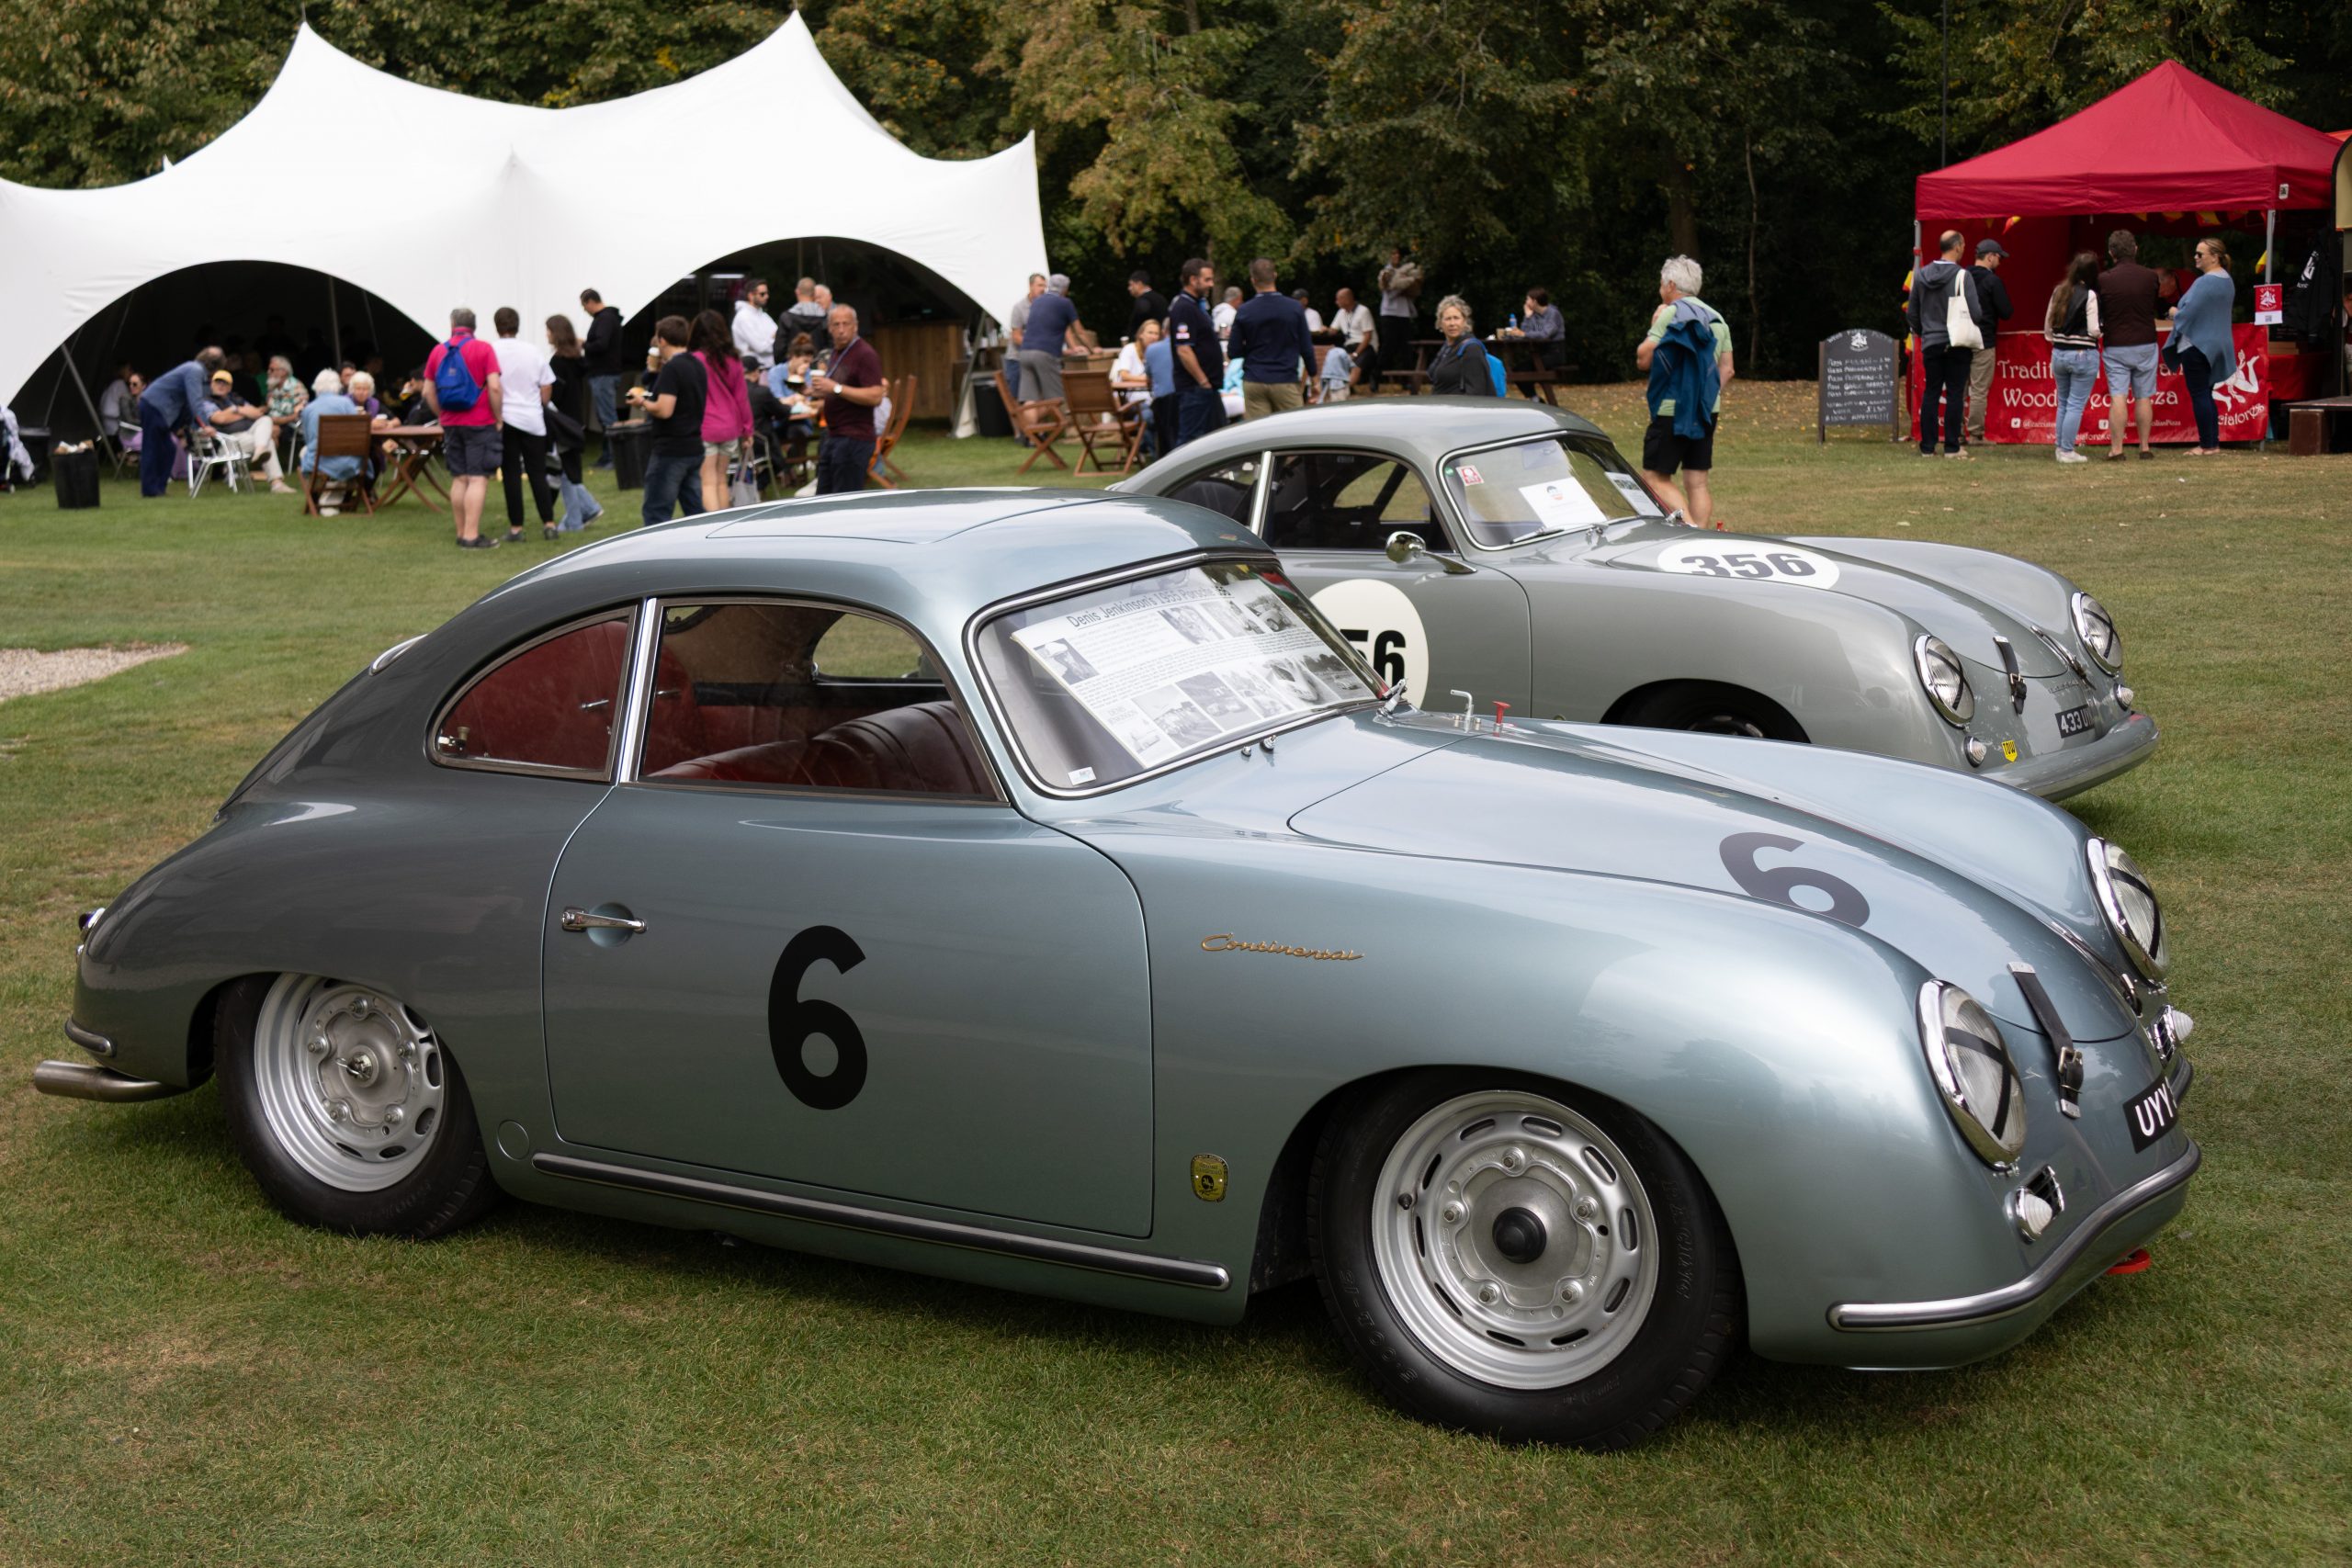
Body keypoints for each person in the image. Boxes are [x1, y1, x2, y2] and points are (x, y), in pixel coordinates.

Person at [1636, 255, 1736, 525]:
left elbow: (1644, 358)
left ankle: (1692, 531)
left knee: (1655, 478)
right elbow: (1727, 369)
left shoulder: (1670, 312)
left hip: (1673, 409)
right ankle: (1701, 533)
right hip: (1707, 409)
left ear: (1670, 285)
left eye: (1661, 284)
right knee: (1698, 482)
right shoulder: (1718, 318)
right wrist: (1707, 394)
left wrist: (1653, 323)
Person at [423, 306, 505, 548]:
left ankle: (461, 532)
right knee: (478, 479)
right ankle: (471, 535)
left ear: (452, 325)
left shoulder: (438, 351)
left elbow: (428, 391)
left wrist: (443, 415)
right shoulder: (483, 349)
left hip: (451, 423)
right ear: (474, 326)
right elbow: (495, 386)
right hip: (480, 422)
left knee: (459, 479)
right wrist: (498, 416)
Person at [1905, 231, 1980, 457]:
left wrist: (1924, 332)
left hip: (1931, 342)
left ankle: (1927, 447)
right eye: (1964, 245)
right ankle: (1951, 446)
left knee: (1931, 392)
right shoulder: (1962, 276)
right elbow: (1976, 312)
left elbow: (1912, 313)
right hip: (1957, 342)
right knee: (1956, 394)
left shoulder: (1920, 275)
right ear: (1956, 247)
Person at [628, 315, 707, 525]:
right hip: (694, 445)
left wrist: (641, 403)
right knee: (695, 512)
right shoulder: (697, 364)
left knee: (657, 513)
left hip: (672, 450)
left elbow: (664, 410)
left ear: (662, 340)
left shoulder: (673, 368)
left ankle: (656, 554)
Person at [491, 306, 558, 542]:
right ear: (517, 325)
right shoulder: (532, 351)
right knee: (538, 472)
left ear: (496, 326)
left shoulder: (492, 350)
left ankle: (516, 528)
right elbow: (547, 384)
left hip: (505, 418)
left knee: (511, 474)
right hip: (532, 418)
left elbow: (490, 385)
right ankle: (549, 523)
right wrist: (540, 403)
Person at [2096, 231, 2163, 462]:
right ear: (2135, 249)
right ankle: (2144, 447)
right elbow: (2155, 304)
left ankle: (2117, 449)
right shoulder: (2151, 277)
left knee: (2118, 396)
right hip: (2145, 341)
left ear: (2111, 253)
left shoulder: (2103, 279)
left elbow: (2100, 312)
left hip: (2116, 344)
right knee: (2144, 396)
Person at [2168, 238, 2236, 457]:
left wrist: (2172, 313)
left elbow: (2187, 314)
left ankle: (2207, 444)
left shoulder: (2205, 282)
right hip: (2215, 345)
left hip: (2197, 345)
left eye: (2200, 254)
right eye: (2196, 253)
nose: (2196, 257)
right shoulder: (2227, 280)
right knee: (2207, 394)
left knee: (2200, 394)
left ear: (2215, 257)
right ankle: (2212, 443)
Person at [810, 304, 884, 494]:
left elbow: (875, 395)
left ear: (855, 326)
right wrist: (815, 390)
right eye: (836, 324)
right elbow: (838, 390)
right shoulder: (838, 352)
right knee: (823, 500)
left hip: (854, 438)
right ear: (829, 328)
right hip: (834, 436)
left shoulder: (864, 354)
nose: (841, 330)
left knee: (844, 503)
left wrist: (835, 388)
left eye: (846, 324)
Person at [1230, 258, 1314, 419]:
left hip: (1254, 379)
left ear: (1253, 280)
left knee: (1259, 435)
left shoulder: (1244, 311)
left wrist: (1251, 351)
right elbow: (1306, 348)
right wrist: (1314, 378)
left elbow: (1233, 351)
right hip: (1285, 379)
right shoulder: (1294, 308)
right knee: (1292, 432)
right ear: (1275, 276)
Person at [543, 314, 604, 531]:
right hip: (575, 420)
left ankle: (577, 519)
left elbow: (555, 395)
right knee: (568, 470)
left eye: (549, 331)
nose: (547, 335)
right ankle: (584, 511)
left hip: (561, 422)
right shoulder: (578, 360)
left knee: (565, 472)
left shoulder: (557, 362)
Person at [690, 309, 754, 511]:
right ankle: (723, 520)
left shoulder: (694, 360)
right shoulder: (734, 360)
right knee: (721, 479)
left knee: (707, 481)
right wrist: (748, 430)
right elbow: (742, 398)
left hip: (706, 426)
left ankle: (712, 526)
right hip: (730, 427)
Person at [2044, 251, 2104, 465]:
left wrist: (2057, 340)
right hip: (2082, 354)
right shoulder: (2090, 295)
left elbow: (2048, 328)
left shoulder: (2058, 291)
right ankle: (2067, 450)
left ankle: (2061, 447)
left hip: (2059, 353)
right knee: (2076, 404)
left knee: (2063, 402)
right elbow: (2094, 329)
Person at [197, 367, 294, 493]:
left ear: (230, 387)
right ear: (212, 384)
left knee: (266, 420)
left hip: (247, 437)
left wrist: (235, 410)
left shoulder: (236, 399)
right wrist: (238, 410)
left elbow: (257, 413)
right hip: (227, 443)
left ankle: (260, 450)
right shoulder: (207, 402)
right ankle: (276, 483)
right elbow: (219, 419)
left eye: (224, 383)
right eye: (217, 382)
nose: (220, 386)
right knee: (268, 442)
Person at [1167, 257, 1227, 450]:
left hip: (1206, 387)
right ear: (1193, 280)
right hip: (1195, 388)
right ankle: (1176, 479)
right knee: (1190, 442)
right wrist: (1203, 381)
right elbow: (1184, 349)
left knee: (1218, 437)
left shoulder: (1195, 306)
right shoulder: (1184, 308)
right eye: (1207, 280)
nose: (1211, 284)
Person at [1963, 239, 2013, 445]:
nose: (2000, 262)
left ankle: (1956, 433)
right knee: (1979, 390)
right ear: (1990, 256)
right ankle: (1975, 434)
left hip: (1959, 338)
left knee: (1959, 388)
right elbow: (2006, 312)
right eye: (1998, 257)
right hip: (1983, 340)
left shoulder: (1960, 276)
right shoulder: (1992, 281)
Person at [298, 367, 360, 512]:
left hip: (319, 459)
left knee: (304, 452)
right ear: (337, 385)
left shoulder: (309, 409)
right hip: (348, 459)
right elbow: (356, 434)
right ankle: (331, 496)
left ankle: (316, 496)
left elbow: (308, 439)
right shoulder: (346, 404)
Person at [1015, 278, 1083, 408]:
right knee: (1057, 398)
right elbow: (1079, 331)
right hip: (1045, 354)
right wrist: (1091, 349)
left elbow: (1055, 330)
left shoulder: (1037, 302)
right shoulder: (1065, 303)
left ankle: (1031, 427)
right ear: (1065, 289)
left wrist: (1072, 348)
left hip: (1024, 352)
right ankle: (1060, 426)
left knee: (1030, 400)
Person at [581, 288, 624, 468]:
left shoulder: (605, 319)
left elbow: (601, 344)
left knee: (608, 418)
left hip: (604, 374)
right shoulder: (607, 318)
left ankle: (614, 458)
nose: (584, 310)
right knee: (604, 416)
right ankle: (607, 457)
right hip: (604, 373)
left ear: (591, 301)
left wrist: (583, 344)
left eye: (584, 306)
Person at [1425, 295, 1495, 397]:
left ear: (1464, 321)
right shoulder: (1447, 348)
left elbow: (1477, 392)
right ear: (1440, 323)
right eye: (1448, 319)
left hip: (1458, 410)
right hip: (1442, 407)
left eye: (1456, 318)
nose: (1452, 323)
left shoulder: (1471, 349)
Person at [1377, 247, 1423, 379]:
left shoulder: (1407, 271)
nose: (1396, 256)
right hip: (1388, 314)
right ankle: (1377, 376)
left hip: (1404, 313)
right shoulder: (1384, 272)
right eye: (1393, 253)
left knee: (1406, 347)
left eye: (1398, 254)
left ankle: (1407, 379)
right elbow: (1386, 287)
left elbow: (1414, 288)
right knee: (1388, 346)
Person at [1004, 272, 1049, 398]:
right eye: (1040, 286)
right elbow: (1016, 337)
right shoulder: (1019, 308)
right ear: (1030, 286)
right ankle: (1020, 418)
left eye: (1044, 286)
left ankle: (1032, 417)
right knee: (1016, 398)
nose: (1043, 289)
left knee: (1037, 398)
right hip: (1017, 360)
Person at [1144, 321, 1178, 460]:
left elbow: (1149, 378)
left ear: (1164, 332)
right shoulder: (1187, 347)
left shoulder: (1151, 350)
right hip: (1183, 398)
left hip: (1162, 402)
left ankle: (1159, 459)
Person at [1110, 319, 1159, 413]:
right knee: (1150, 415)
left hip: (1153, 399)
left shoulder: (1157, 352)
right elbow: (1124, 375)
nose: (1153, 337)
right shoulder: (1130, 349)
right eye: (1150, 333)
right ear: (1141, 334)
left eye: (1156, 334)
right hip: (1132, 400)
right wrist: (1147, 379)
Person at [732, 277, 778, 372]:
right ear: (751, 296)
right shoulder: (743, 317)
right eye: (762, 294)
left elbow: (780, 336)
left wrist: (769, 340)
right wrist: (773, 339)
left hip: (769, 368)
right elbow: (760, 347)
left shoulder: (764, 316)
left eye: (767, 293)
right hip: (752, 372)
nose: (766, 297)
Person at [1514, 288, 1566, 371]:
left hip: (1554, 353)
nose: (1526, 302)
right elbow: (1526, 332)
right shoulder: (1534, 315)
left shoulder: (1553, 314)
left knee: (1523, 369)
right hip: (1540, 352)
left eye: (1527, 299)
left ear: (1534, 301)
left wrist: (1524, 334)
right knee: (1518, 369)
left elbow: (1545, 334)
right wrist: (1528, 317)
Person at [98, 362, 141, 454]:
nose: (131, 373)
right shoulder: (120, 384)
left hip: (108, 423)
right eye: (129, 370)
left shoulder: (112, 383)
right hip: (115, 423)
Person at [1331, 287, 1376, 361]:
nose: (1336, 302)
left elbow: (1368, 337)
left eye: (1338, 299)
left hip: (1366, 346)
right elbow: (1332, 331)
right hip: (1349, 346)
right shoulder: (1340, 312)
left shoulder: (1363, 311)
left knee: (1355, 366)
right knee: (1335, 360)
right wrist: (1324, 329)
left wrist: (1355, 354)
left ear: (1347, 299)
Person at [1314, 328, 1359, 402]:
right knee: (1340, 404)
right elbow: (1352, 365)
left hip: (1327, 381)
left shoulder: (1330, 352)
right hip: (1339, 383)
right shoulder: (1343, 352)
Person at [783, 277, 829, 343]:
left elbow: (779, 347)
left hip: (794, 352)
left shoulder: (787, 318)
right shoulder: (825, 317)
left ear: (797, 292)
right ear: (814, 293)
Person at [1125, 271, 1168, 340]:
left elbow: (1137, 324)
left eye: (1131, 285)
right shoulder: (1161, 298)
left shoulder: (1143, 300)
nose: (1129, 288)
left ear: (1139, 284)